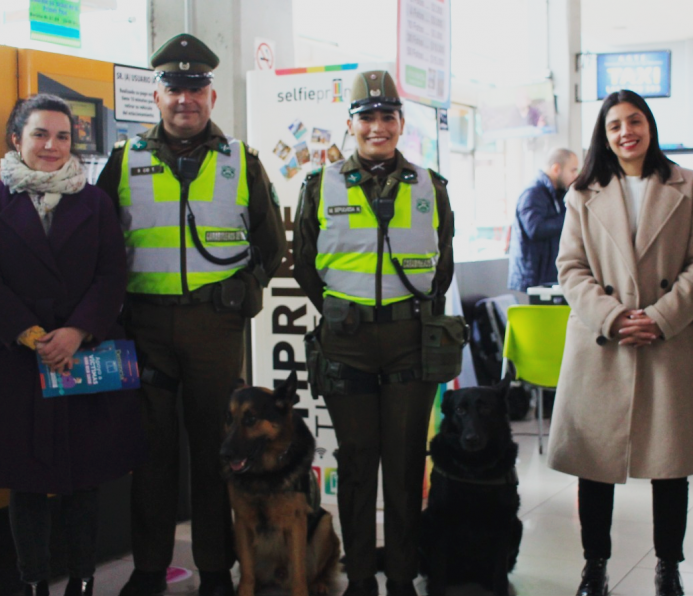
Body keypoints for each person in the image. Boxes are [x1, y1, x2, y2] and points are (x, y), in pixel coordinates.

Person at [95, 34, 287, 596]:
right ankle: (149, 569)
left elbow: (271, 245)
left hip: (213, 327)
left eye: (196, 88)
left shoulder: (241, 162)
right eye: (174, 88)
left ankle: (213, 570)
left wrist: (244, 297)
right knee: (151, 454)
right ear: (156, 95)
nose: (186, 99)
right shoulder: (124, 161)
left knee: (217, 453)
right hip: (146, 328)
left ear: (212, 96)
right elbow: (103, 247)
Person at [547, 90, 693, 596]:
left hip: (667, 340)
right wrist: (612, 316)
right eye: (615, 126)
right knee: (594, 463)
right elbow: (571, 267)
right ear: (603, 137)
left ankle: (668, 568)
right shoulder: (583, 192)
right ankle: (595, 567)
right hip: (605, 342)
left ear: (650, 125)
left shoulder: (687, 184)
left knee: (671, 465)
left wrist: (660, 317)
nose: (627, 132)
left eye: (635, 120)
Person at [294, 70, 458, 596]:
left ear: (401, 123)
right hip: (347, 341)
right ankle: (361, 575)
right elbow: (304, 264)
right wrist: (345, 310)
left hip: (412, 338)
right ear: (351, 124)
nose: (378, 126)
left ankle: (404, 574)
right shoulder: (320, 185)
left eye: (387, 116)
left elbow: (444, 263)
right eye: (367, 117)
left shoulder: (432, 185)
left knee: (407, 463)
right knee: (358, 463)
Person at [0, 94, 147, 596]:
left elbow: (111, 275)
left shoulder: (95, 202)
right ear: (17, 139)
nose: (52, 145)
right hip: (17, 357)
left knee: (84, 477)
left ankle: (82, 579)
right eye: (39, 134)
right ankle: (35, 581)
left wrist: (77, 331)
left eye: (62, 136)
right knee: (27, 481)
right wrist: (31, 334)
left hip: (83, 356)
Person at [508, 148, 580, 293]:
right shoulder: (533, 193)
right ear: (556, 169)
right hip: (533, 280)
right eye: (573, 170)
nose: (576, 176)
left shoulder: (556, 194)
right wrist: (571, 218)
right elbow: (535, 228)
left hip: (547, 277)